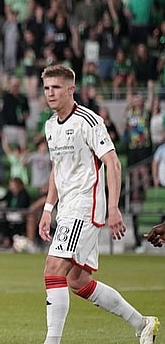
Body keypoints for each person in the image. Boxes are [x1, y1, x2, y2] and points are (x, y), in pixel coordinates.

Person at [37, 64, 159, 344]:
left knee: (53, 269)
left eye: (56, 87)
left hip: (85, 206)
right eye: (46, 88)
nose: (50, 93)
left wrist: (113, 207)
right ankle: (142, 324)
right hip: (66, 209)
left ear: (71, 89)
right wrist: (47, 208)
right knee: (77, 281)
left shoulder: (88, 121)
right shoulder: (50, 125)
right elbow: (58, 168)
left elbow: (112, 162)